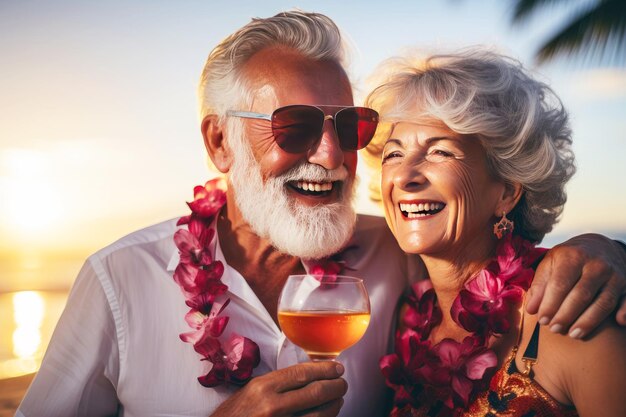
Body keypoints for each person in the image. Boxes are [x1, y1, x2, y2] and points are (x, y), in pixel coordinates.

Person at [17, 11, 626, 417]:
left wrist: (605, 250)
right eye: (297, 126)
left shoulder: (395, 255)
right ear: (219, 142)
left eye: (349, 126)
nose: (331, 155)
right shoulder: (117, 280)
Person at [367, 49, 626, 416]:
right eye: (393, 154)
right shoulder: (405, 316)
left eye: (440, 152)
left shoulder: (570, 314)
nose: (405, 177)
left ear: (506, 191)